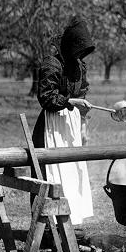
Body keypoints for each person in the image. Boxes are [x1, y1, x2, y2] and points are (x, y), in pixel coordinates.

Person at [32, 15, 95, 230]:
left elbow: (83, 92)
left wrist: (83, 120)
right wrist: (70, 101)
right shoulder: (51, 63)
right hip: (53, 125)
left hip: (72, 126)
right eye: (77, 50)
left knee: (73, 171)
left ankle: (70, 222)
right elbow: (46, 97)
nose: (79, 55)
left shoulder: (80, 67)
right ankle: (49, 227)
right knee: (54, 173)